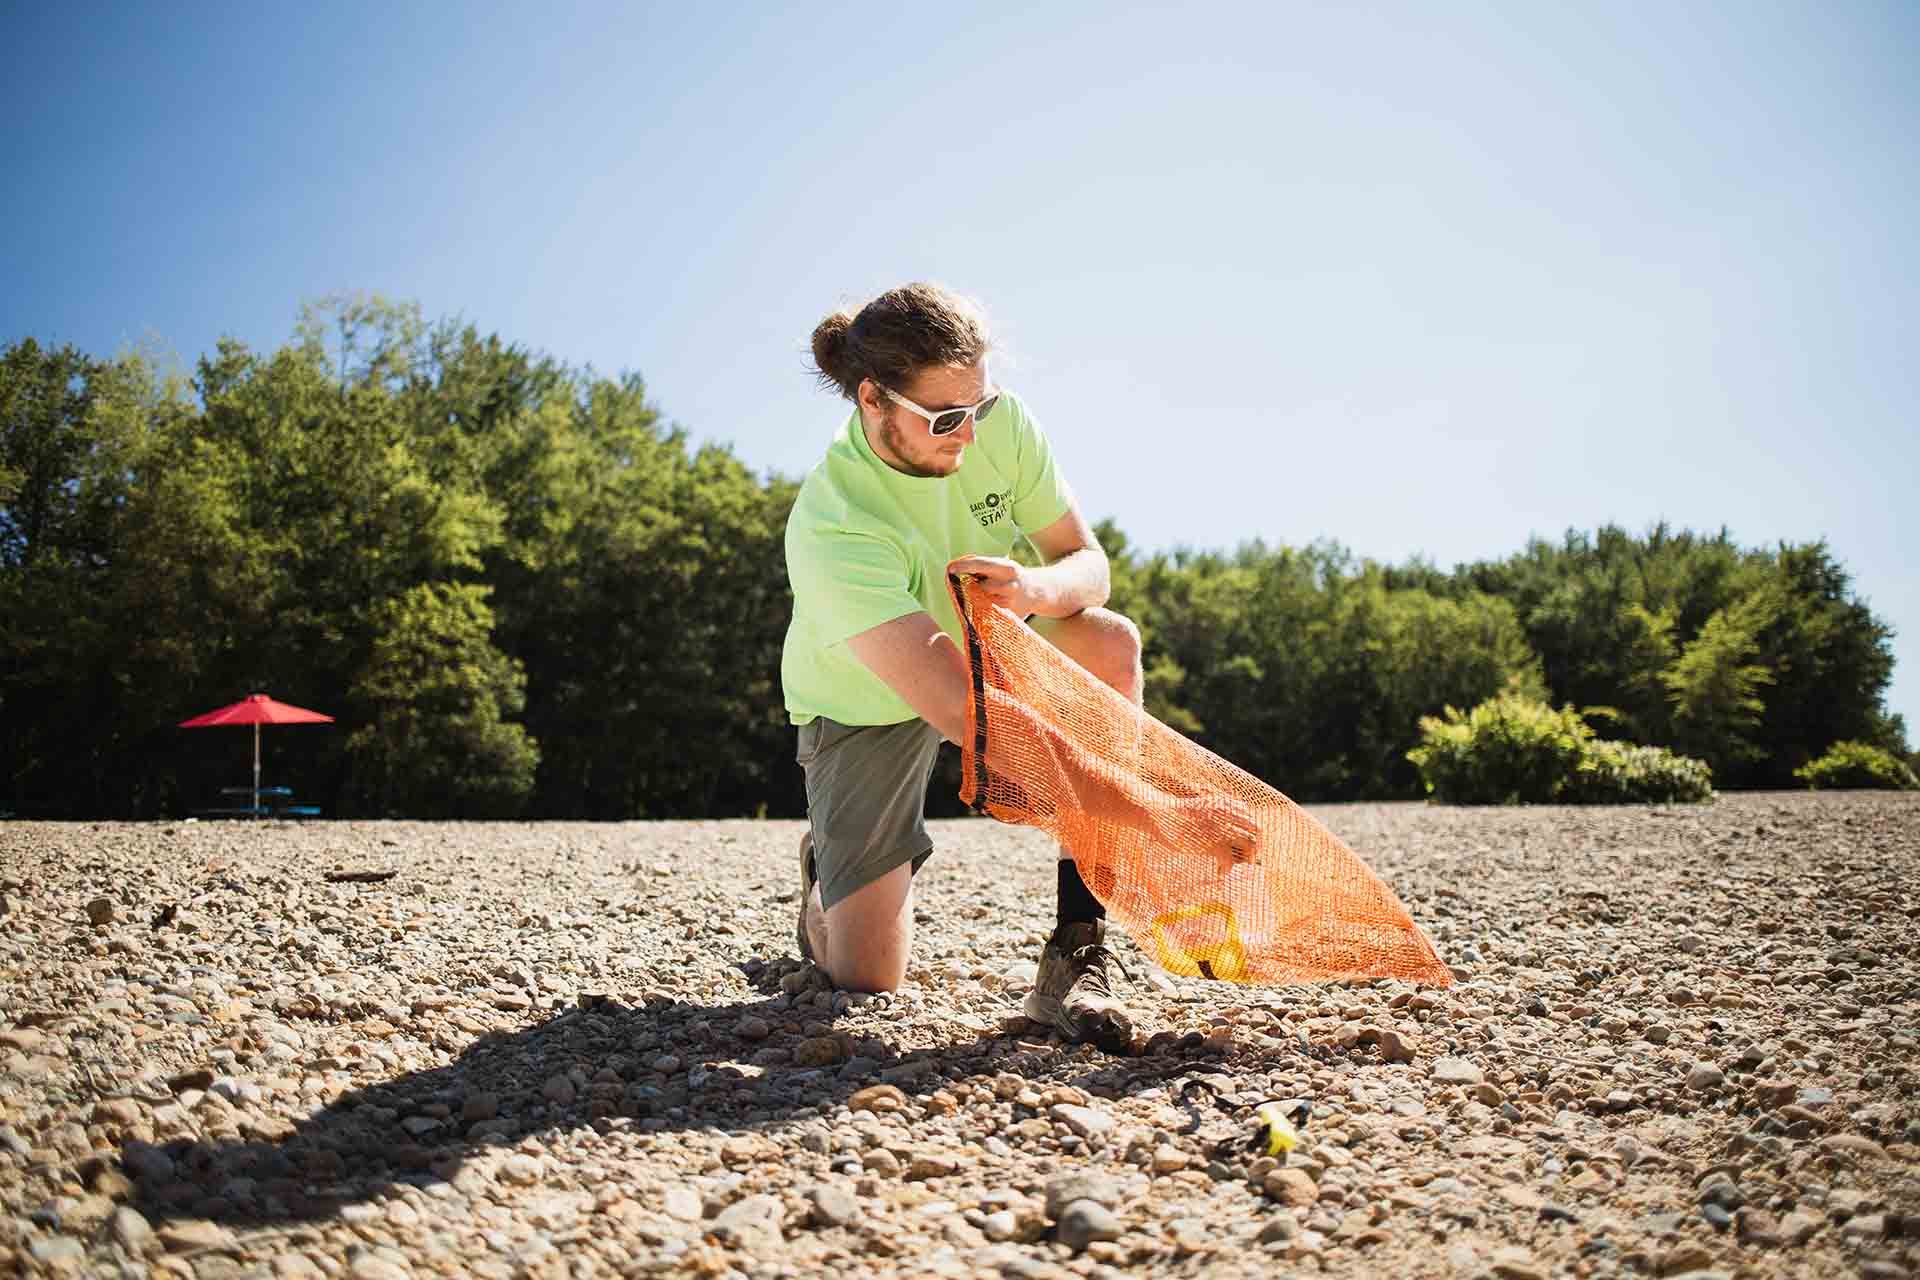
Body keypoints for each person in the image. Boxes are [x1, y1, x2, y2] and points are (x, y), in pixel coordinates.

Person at [781, 282, 1247, 1052]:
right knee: (864, 981)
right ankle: (826, 887)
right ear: (872, 399)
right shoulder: (834, 525)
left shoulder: (996, 425)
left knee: (1106, 641)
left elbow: (1086, 563)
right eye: (944, 419)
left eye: (979, 406)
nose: (968, 436)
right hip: (866, 699)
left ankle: (1078, 942)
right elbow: (978, 723)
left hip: (984, 646)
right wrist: (1161, 813)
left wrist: (1036, 589)